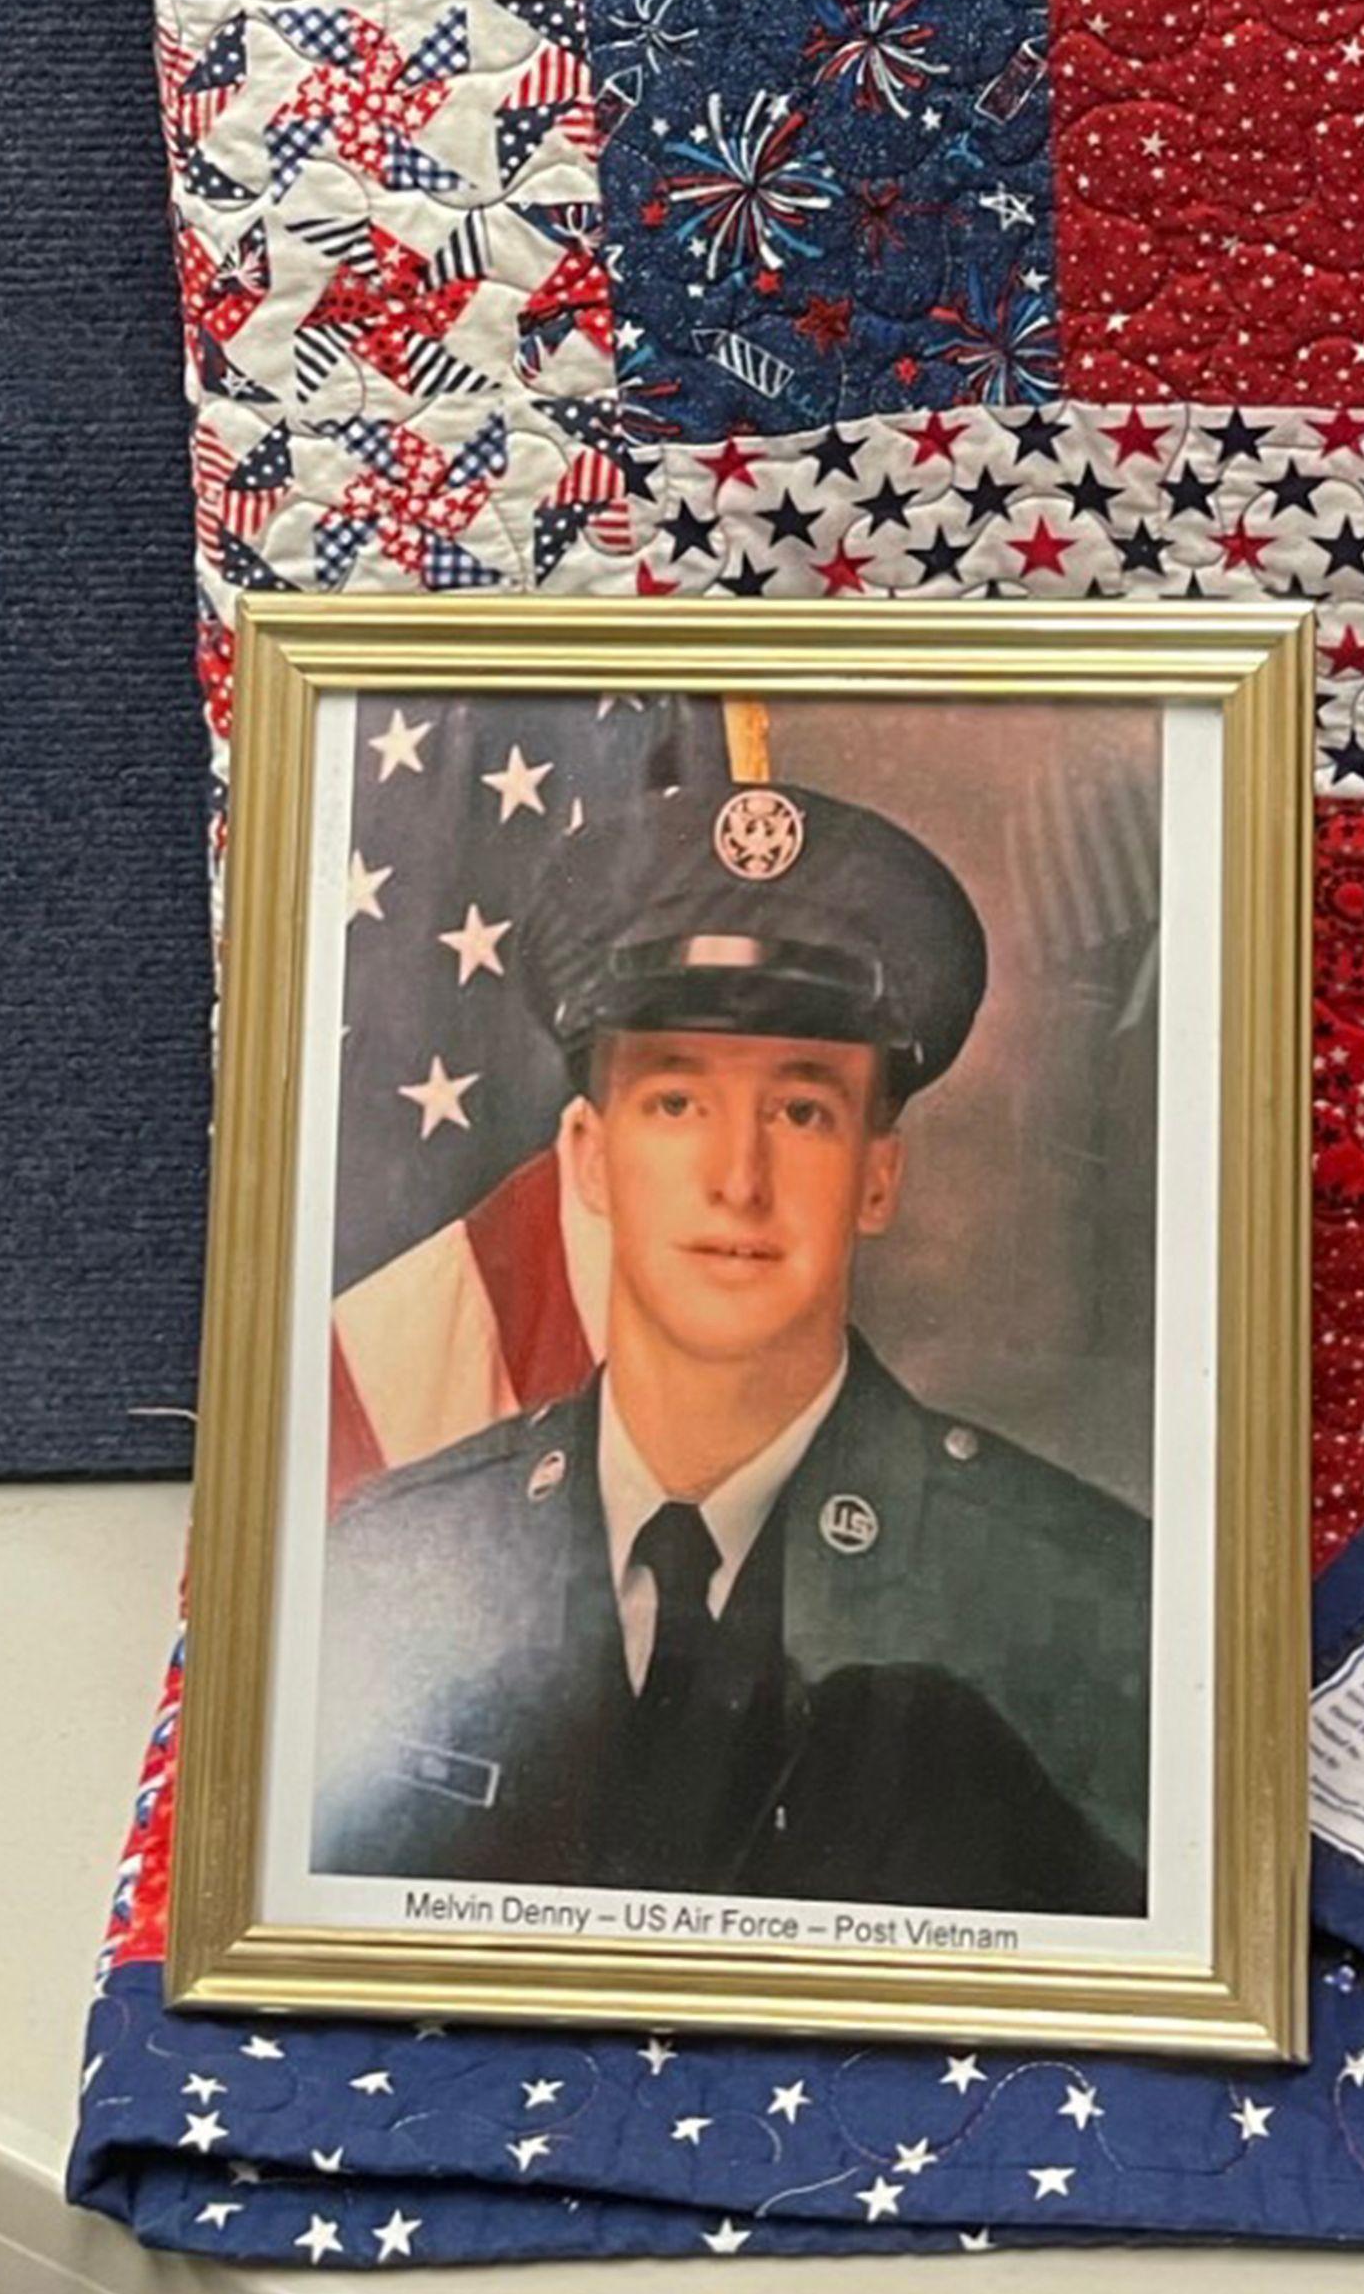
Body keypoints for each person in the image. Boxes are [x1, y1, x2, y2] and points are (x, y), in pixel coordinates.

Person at [309, 772, 1151, 1912]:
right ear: (588, 1157)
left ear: (878, 1174)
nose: (738, 1180)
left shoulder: (1083, 1601)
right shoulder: (390, 1570)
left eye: (801, 1111)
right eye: (676, 1104)